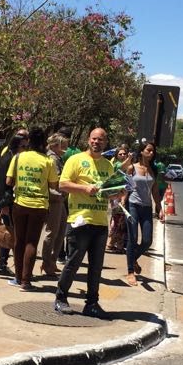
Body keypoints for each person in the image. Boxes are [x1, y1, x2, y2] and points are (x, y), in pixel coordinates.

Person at [54, 127, 118, 317]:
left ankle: (92, 303)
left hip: (100, 222)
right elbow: (62, 184)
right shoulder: (76, 160)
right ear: (88, 140)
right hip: (79, 221)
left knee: (96, 266)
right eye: (94, 139)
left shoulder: (108, 165)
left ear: (106, 143)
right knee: (73, 262)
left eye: (101, 140)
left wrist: (118, 193)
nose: (96, 142)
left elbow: (111, 192)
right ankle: (61, 298)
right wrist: (84, 188)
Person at [5, 127, 58, 290]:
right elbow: (53, 184)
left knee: (19, 240)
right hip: (39, 206)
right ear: (43, 142)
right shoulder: (47, 161)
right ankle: (26, 281)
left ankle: (17, 277)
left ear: (29, 141)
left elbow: (8, 181)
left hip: (20, 204)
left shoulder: (19, 157)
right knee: (32, 242)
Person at [123, 141, 160, 286]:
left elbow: (155, 191)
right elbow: (127, 186)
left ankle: (132, 259)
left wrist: (159, 207)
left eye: (153, 151)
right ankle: (130, 272)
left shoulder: (154, 170)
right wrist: (122, 201)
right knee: (132, 239)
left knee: (147, 240)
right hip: (132, 205)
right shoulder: (132, 168)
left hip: (146, 208)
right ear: (142, 151)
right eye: (148, 150)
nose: (151, 153)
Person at [0, 131, 27, 276]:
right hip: (6, 201)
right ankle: (2, 264)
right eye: (24, 146)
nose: (26, 149)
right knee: (9, 234)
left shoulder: (10, 158)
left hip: (5, 201)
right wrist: (4, 204)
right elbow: (2, 184)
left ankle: (3, 263)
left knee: (10, 233)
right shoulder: (8, 160)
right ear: (17, 145)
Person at [39, 132, 69, 276]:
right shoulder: (52, 159)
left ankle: (51, 261)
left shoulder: (58, 158)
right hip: (55, 199)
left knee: (61, 231)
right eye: (64, 145)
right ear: (56, 145)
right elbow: (54, 182)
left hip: (60, 199)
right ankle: (46, 262)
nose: (66, 148)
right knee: (53, 232)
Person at [106, 145, 131, 254]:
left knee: (121, 221)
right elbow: (121, 167)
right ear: (116, 156)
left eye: (124, 154)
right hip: (116, 196)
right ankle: (111, 243)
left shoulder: (129, 166)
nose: (122, 155)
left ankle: (119, 244)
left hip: (124, 194)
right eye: (120, 154)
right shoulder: (116, 165)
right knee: (117, 220)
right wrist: (129, 159)